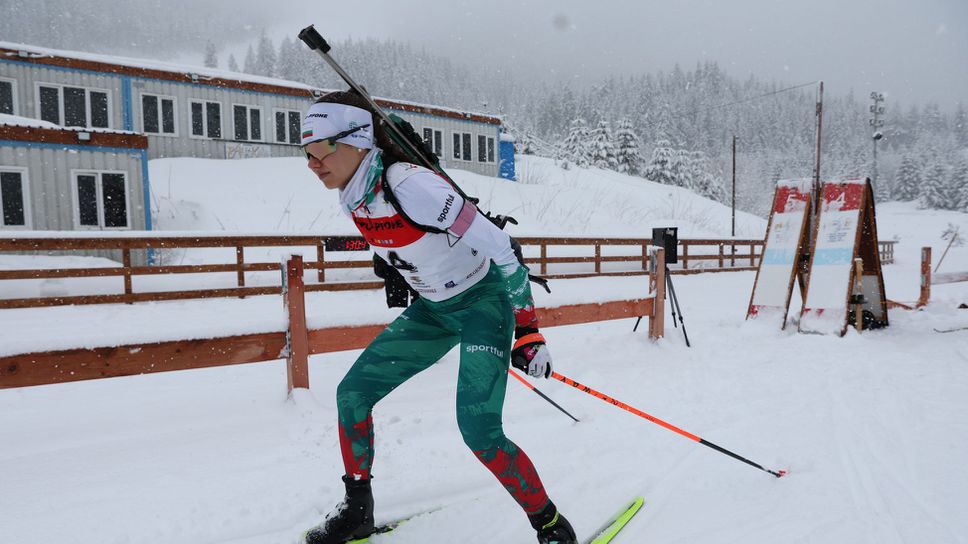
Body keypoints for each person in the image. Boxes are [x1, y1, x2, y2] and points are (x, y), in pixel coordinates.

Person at [301, 90, 576, 544]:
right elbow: (396, 239)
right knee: (352, 394)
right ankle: (357, 512)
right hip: (434, 309)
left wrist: (528, 330)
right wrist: (393, 266)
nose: (313, 163)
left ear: (358, 140)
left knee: (480, 432)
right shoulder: (351, 194)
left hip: (482, 306)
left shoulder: (411, 185)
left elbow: (504, 253)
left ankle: (550, 525)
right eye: (305, 153)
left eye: (322, 149)